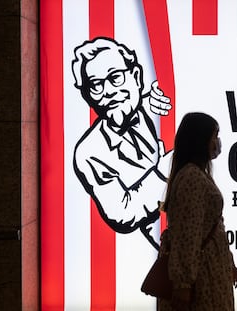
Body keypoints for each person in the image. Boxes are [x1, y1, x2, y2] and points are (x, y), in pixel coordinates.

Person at [71, 37, 172, 248]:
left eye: (115, 77)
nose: (107, 91)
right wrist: (167, 166)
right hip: (146, 253)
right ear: (87, 95)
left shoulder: (153, 104)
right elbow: (123, 212)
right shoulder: (89, 152)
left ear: (136, 77)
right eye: (96, 85)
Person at [158, 112, 237, 311]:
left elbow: (211, 228)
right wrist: (184, 284)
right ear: (201, 140)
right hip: (202, 280)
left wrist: (229, 265)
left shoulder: (196, 175)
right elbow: (189, 234)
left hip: (210, 273)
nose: (217, 142)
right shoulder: (192, 179)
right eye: (214, 135)